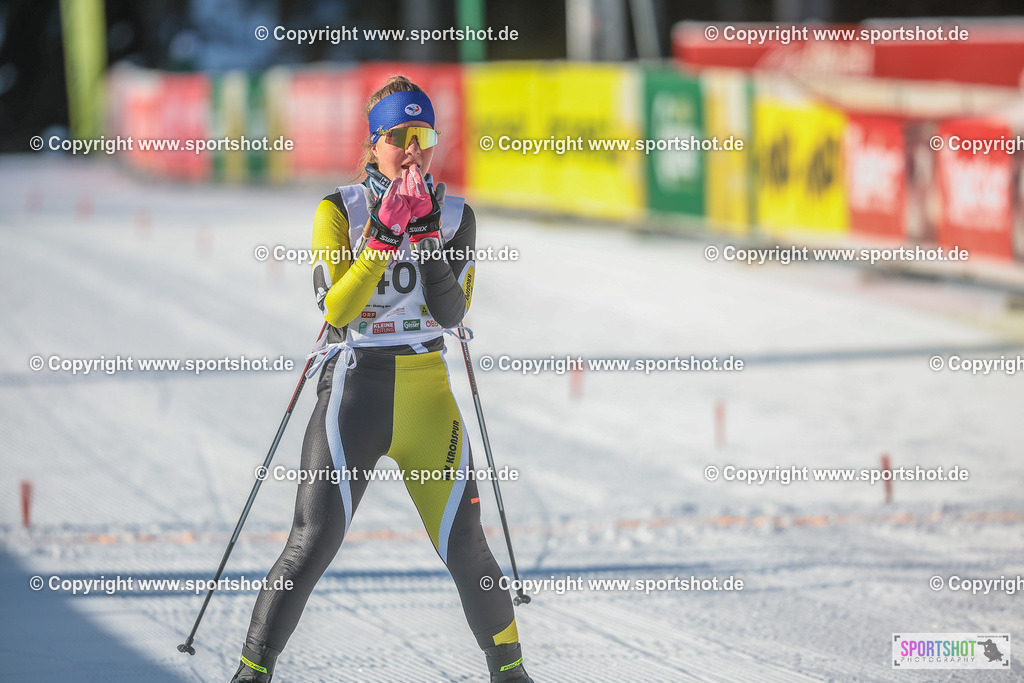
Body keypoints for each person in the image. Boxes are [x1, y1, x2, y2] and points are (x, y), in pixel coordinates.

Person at [230, 75, 534, 682]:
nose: (414, 150)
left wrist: (423, 241)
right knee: (311, 542)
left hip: (427, 395)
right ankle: (251, 673)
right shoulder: (339, 210)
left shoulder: (454, 215)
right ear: (373, 144)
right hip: (354, 389)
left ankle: (513, 673)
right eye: (400, 137)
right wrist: (384, 235)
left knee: (466, 545)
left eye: (423, 136)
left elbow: (452, 314)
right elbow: (337, 310)